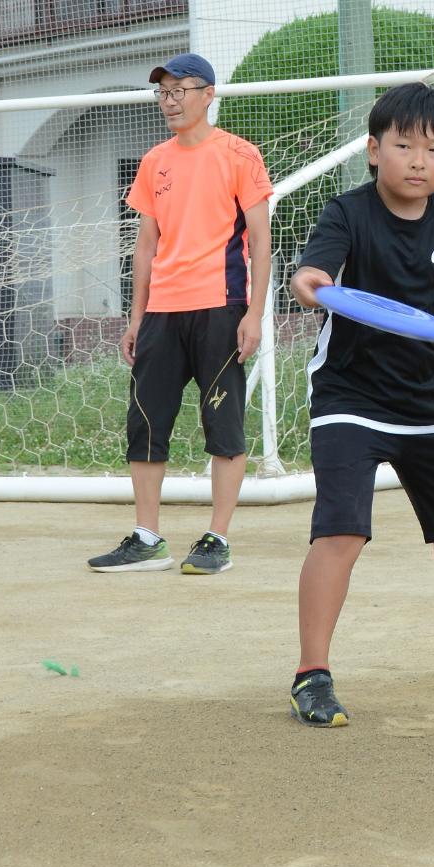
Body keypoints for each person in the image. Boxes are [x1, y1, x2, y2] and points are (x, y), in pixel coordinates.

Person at [287, 81, 434, 725]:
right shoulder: (346, 213)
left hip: (428, 400)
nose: (418, 160)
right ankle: (312, 673)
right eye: (403, 146)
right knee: (341, 529)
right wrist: (310, 282)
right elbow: (316, 271)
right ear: (373, 150)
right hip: (350, 394)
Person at [88, 53, 272, 577]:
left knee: (224, 425)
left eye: (179, 91)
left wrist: (254, 314)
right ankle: (147, 538)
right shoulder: (154, 161)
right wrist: (135, 317)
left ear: (207, 94)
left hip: (220, 307)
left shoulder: (239, 155)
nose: (169, 101)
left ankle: (217, 538)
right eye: (162, 93)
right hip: (162, 314)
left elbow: (260, 240)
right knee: (145, 424)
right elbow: (146, 244)